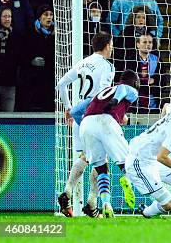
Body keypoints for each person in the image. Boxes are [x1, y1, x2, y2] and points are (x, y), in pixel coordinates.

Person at [54, 32, 131, 218]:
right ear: (106, 46)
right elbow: (105, 93)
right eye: (111, 44)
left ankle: (70, 191)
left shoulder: (82, 62)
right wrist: (120, 113)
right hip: (97, 116)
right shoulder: (107, 66)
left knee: (85, 157)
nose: (112, 47)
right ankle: (91, 201)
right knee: (100, 160)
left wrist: (69, 107)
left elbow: (61, 84)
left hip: (81, 118)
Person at [80, 70, 139, 218]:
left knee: (101, 168)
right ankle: (128, 180)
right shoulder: (129, 89)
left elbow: (77, 110)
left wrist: (84, 126)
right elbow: (124, 89)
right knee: (128, 162)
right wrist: (115, 101)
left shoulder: (103, 92)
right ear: (135, 83)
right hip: (106, 121)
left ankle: (106, 204)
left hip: (86, 124)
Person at [122, 33, 165, 113]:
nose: (148, 45)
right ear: (137, 44)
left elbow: (163, 81)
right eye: (144, 42)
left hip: (154, 106)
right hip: (134, 105)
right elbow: (127, 83)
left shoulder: (157, 60)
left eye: (150, 42)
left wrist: (154, 80)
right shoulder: (130, 61)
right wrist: (145, 82)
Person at [0, 6, 21, 112]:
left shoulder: (16, 36)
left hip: (10, 83)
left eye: (9, 16)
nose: (7, 19)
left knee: (8, 116)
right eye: (4, 16)